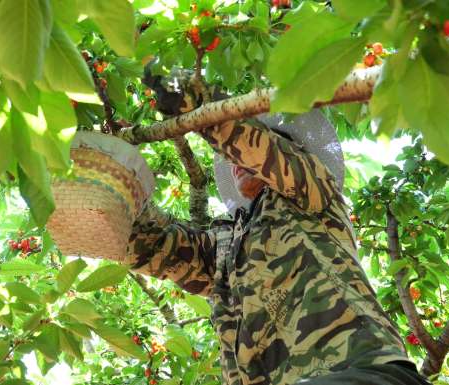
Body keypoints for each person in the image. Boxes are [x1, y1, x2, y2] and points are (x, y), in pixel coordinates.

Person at [124, 66, 430, 385]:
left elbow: (260, 149)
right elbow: (157, 248)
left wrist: (193, 97)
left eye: (247, 154)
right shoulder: (228, 247)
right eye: (233, 159)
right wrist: (114, 194)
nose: (236, 162)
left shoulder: (313, 187)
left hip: (358, 368)